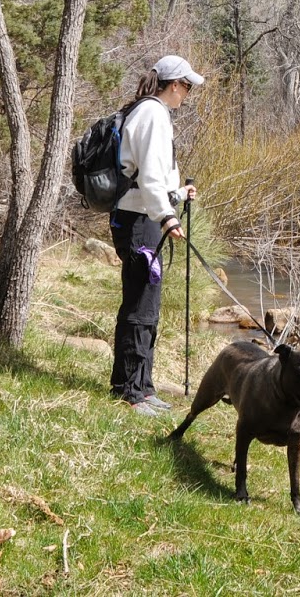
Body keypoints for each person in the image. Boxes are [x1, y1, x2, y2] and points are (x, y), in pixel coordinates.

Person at [110, 54, 202, 416]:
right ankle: (131, 392)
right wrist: (167, 217)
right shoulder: (152, 114)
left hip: (142, 217)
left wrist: (177, 196)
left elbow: (151, 180)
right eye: (188, 87)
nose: (188, 94)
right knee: (140, 306)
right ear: (174, 84)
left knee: (146, 303)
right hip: (140, 222)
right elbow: (147, 179)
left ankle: (142, 386)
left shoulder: (152, 114)